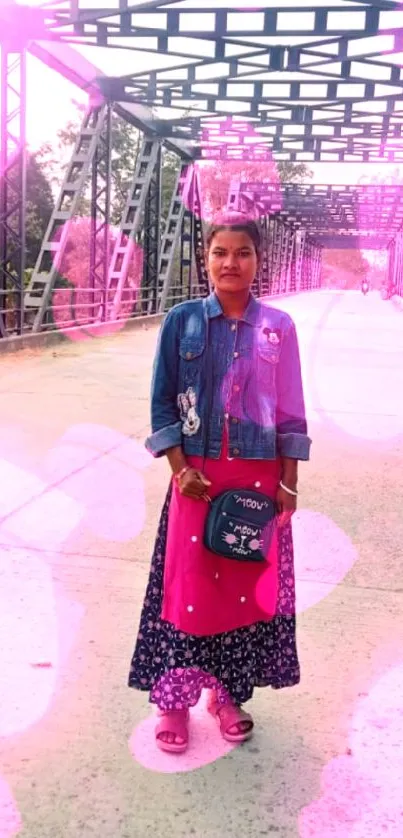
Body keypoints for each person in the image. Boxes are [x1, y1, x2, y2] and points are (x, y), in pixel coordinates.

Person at [128, 213, 311, 754]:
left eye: (243, 253)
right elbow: (162, 402)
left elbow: (291, 411)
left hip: (257, 477)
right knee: (188, 592)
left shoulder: (279, 326)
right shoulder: (183, 322)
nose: (231, 263)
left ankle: (227, 696)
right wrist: (180, 468)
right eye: (220, 252)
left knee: (240, 594)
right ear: (206, 259)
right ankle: (174, 701)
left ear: (259, 260)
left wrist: (290, 482)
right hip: (196, 479)